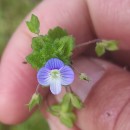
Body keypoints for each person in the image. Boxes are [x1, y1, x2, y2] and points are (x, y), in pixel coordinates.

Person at [0, 0, 130, 129]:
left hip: (60, 65)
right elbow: (51, 70)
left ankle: (104, 44)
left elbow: (58, 63)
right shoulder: (50, 70)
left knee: (94, 44)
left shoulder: (60, 63)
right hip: (58, 67)